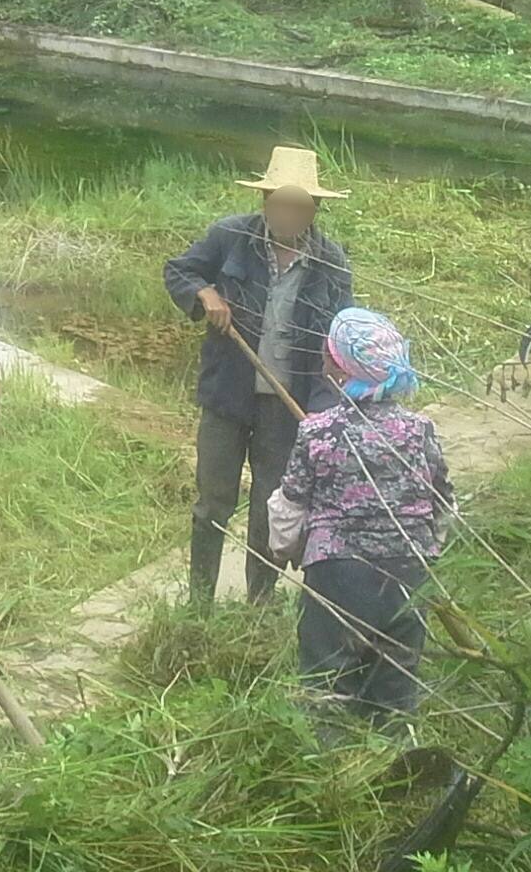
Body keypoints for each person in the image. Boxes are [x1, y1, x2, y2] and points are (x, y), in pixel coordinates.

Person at [163, 145, 355, 606]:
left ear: (314, 210)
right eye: (279, 202)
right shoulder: (230, 236)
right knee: (213, 502)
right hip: (227, 396)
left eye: (298, 206)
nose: (286, 213)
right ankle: (199, 601)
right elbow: (179, 270)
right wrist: (205, 293)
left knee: (271, 506)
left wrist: (326, 410)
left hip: (287, 405)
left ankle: (259, 603)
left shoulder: (331, 264)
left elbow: (341, 339)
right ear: (266, 201)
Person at [268, 308, 454, 734]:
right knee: (396, 686)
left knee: (326, 684)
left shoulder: (320, 431)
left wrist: (288, 552)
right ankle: (395, 771)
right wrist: (427, 547)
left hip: (338, 575)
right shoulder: (419, 430)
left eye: (327, 354)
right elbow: (443, 503)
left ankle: (331, 773)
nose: (322, 360)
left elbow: (290, 507)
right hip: (408, 572)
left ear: (340, 368)